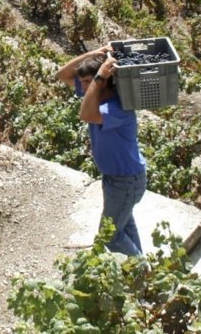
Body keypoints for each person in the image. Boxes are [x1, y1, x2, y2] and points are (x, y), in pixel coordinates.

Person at [55, 45, 145, 256]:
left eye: (88, 82)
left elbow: (86, 115)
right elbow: (62, 75)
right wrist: (94, 54)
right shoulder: (96, 95)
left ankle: (143, 271)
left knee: (110, 236)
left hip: (126, 181)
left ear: (104, 81)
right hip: (116, 179)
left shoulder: (118, 108)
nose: (84, 86)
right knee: (124, 225)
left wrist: (99, 77)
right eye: (83, 82)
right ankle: (141, 268)